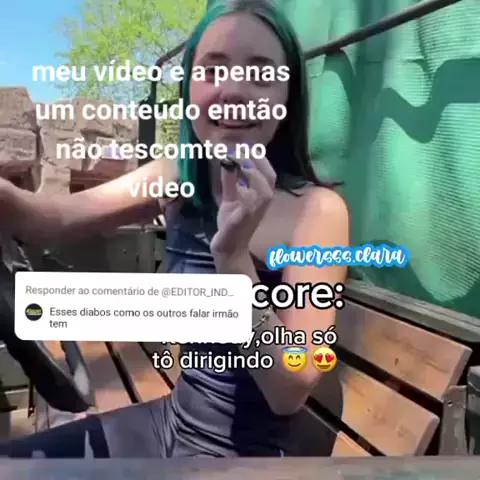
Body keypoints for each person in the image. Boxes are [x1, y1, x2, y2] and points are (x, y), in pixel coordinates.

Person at [0, 0, 349, 458]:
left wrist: (233, 258)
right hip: (171, 421)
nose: (233, 91)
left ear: (287, 99)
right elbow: (53, 220)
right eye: (213, 70)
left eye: (261, 73)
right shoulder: (178, 175)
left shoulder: (317, 213)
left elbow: (290, 390)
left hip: (243, 459)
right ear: (188, 91)